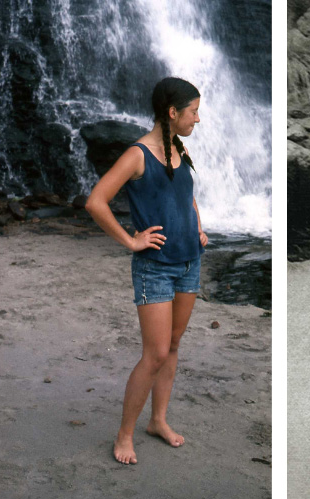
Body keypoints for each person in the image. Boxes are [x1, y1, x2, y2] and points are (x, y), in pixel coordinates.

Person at [85, 77, 207, 465]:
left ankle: (158, 421)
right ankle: (124, 435)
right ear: (172, 113)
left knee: (172, 346)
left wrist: (198, 227)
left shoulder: (179, 147)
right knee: (154, 354)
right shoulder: (137, 154)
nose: (198, 119)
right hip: (154, 268)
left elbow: (186, 196)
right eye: (193, 112)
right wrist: (131, 240)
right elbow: (96, 201)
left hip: (189, 261)